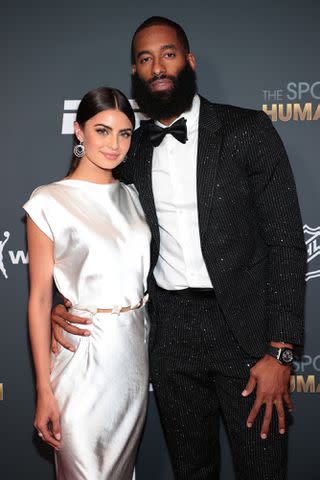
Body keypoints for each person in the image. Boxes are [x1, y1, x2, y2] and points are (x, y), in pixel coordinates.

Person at [51, 17, 307, 480]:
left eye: (167, 54)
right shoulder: (129, 149)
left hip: (247, 335)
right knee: (192, 471)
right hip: (169, 335)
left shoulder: (246, 129)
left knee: (263, 469)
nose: (157, 68)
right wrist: (61, 304)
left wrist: (282, 350)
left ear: (189, 61)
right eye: (145, 60)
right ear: (135, 72)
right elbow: (87, 224)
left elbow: (287, 242)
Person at [24, 86, 150, 479]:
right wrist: (44, 390)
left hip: (132, 356)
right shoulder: (48, 200)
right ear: (79, 132)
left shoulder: (132, 196)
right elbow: (41, 299)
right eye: (102, 130)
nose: (114, 144)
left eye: (124, 133)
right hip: (82, 357)